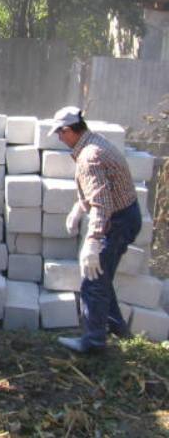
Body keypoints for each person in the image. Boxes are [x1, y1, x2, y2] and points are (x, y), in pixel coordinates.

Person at [48, 107, 141, 354]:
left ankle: (93, 343)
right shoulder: (94, 142)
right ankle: (116, 327)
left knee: (93, 281)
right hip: (126, 215)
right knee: (102, 276)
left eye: (60, 133)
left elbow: (102, 203)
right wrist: (79, 207)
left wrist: (93, 240)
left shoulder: (90, 156)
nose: (59, 138)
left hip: (117, 221)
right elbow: (103, 187)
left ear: (69, 130)